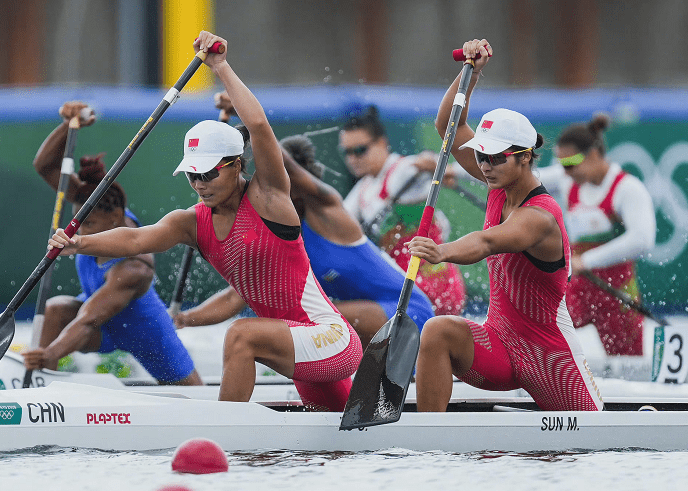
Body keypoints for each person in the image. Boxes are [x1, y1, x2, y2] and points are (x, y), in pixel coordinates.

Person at [48, 32, 363, 411]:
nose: (199, 184)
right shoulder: (190, 223)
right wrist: (78, 243)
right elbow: (135, 241)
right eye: (192, 175)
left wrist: (220, 66)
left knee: (240, 335)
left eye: (208, 174)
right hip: (294, 351)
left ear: (236, 165)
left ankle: (220, 436)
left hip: (330, 339)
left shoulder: (269, 197)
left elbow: (260, 126)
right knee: (336, 448)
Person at [408, 38, 603, 412]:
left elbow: (486, 242)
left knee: (594, 455)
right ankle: (430, 443)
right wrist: (471, 72)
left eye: (496, 157)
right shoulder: (497, 179)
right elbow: (447, 124)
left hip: (550, 359)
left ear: (526, 157)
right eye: (481, 154)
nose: (485, 165)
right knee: (436, 331)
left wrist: (441, 251)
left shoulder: (541, 216)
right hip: (499, 346)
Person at [178, 92, 435, 350]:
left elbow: (283, 166)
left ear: (297, 188)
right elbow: (237, 297)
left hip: (409, 313)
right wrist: (180, 319)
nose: (262, 195)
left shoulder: (326, 210)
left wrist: (245, 122)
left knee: (300, 317)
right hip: (369, 325)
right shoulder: (277, 236)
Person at [23, 101, 202, 386]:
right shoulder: (91, 209)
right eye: (79, 222)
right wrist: (70, 126)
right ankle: (42, 388)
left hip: (145, 334)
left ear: (116, 218)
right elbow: (44, 166)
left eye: (89, 225)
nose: (79, 230)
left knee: (196, 397)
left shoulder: (135, 269)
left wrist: (49, 352)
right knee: (55, 309)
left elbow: (88, 320)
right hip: (101, 328)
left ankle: (43, 362)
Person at [538, 114, 656, 356]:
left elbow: (643, 240)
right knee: (542, 340)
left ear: (592, 155)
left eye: (570, 164)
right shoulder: (569, 179)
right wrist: (454, 172)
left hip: (617, 293)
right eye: (561, 165)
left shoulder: (627, 188)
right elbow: (519, 178)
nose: (565, 172)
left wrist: (586, 261)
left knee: (628, 368)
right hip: (577, 288)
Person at [340, 105, 467, 316]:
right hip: (405, 289)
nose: (353, 158)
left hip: (436, 287)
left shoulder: (399, 171)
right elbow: (336, 221)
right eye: (347, 152)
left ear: (382, 143)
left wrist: (426, 162)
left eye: (360, 150)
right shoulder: (363, 189)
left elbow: (414, 166)